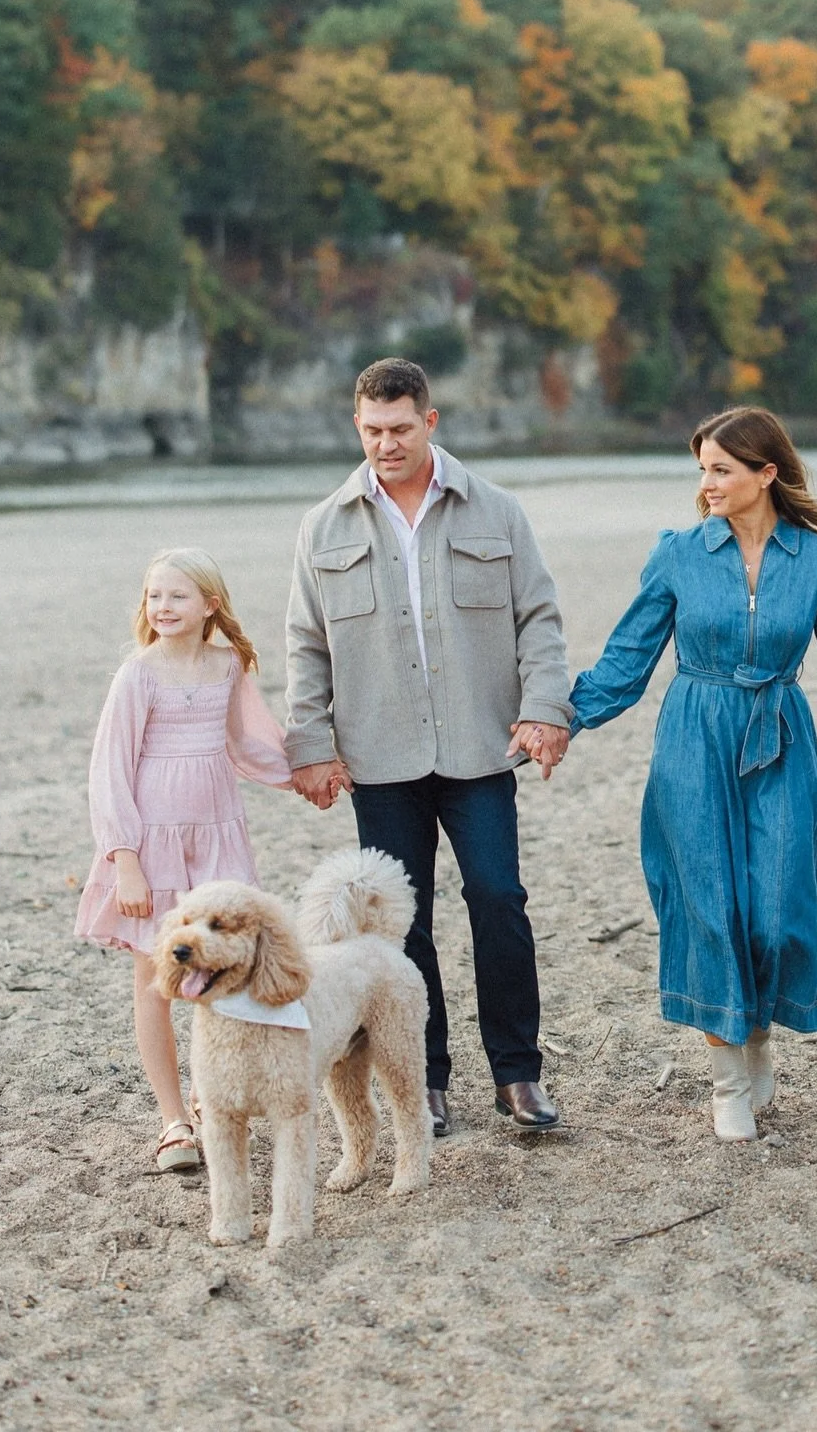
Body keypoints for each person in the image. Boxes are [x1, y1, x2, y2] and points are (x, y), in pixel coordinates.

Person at [568, 406, 817, 1142]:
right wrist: (560, 721)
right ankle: (728, 1081)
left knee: (776, 913)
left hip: (782, 739)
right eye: (702, 469)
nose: (707, 484)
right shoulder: (678, 554)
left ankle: (756, 1036)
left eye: (722, 469)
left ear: (767, 474)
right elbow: (628, 660)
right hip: (693, 739)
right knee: (708, 909)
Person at [284, 358, 572, 1136]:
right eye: (373, 431)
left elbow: (539, 620)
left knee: (499, 901)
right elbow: (306, 647)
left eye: (401, 429)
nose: (387, 444)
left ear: (430, 422)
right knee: (401, 931)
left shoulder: (497, 512)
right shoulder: (325, 525)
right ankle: (427, 1081)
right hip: (379, 759)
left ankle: (519, 1076)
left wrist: (546, 710)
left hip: (480, 752)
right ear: (357, 427)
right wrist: (309, 745)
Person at [75, 547, 304, 1172]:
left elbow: (250, 743)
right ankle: (173, 1120)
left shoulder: (228, 667)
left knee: (229, 970)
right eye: (154, 596)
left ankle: (213, 1100)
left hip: (218, 837)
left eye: (177, 596)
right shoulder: (138, 675)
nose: (163, 607)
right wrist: (125, 859)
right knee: (159, 981)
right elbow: (109, 772)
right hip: (153, 842)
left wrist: (307, 775)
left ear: (210, 603)